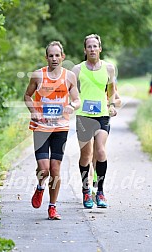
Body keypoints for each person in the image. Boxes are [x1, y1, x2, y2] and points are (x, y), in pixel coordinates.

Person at [24, 41, 81, 220]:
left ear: (63, 57)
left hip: (60, 128)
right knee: (44, 169)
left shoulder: (69, 76)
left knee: (55, 170)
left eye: (57, 55)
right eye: (51, 55)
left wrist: (72, 106)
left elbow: (77, 99)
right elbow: (27, 95)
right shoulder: (38, 76)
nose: (54, 58)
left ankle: (52, 207)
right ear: (46, 57)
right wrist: (33, 111)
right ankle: (40, 187)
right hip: (40, 127)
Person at [72, 34, 117, 209]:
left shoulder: (109, 68)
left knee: (100, 151)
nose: (92, 49)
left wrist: (112, 105)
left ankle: (100, 191)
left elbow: (112, 89)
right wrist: (73, 103)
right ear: (85, 50)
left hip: (102, 115)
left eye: (95, 46)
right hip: (84, 116)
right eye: (89, 46)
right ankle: (86, 190)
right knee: (86, 155)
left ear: (100, 49)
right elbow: (72, 91)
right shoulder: (77, 70)